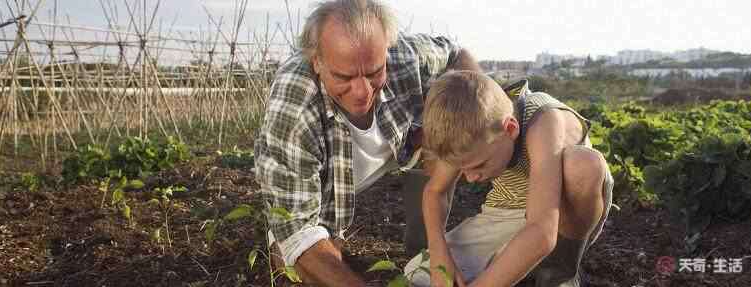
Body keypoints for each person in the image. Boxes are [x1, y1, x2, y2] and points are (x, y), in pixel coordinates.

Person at [252, 0, 482, 285]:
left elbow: (455, 54)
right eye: (343, 77)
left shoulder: (405, 56)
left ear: (386, 50)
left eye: (374, 72)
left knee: (445, 123)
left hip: (403, 145)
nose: (362, 92)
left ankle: (423, 246)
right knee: (291, 262)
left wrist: (473, 111)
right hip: (319, 183)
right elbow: (297, 233)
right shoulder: (294, 108)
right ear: (317, 62)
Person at [403, 71, 613, 287]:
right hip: (506, 213)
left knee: (583, 165)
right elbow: (435, 191)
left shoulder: (543, 121)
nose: (471, 178)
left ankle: (560, 275)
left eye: (479, 165)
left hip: (558, 216)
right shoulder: (464, 128)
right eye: (462, 169)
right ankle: (523, 270)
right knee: (418, 274)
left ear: (510, 129)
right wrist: (439, 253)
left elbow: (542, 230)